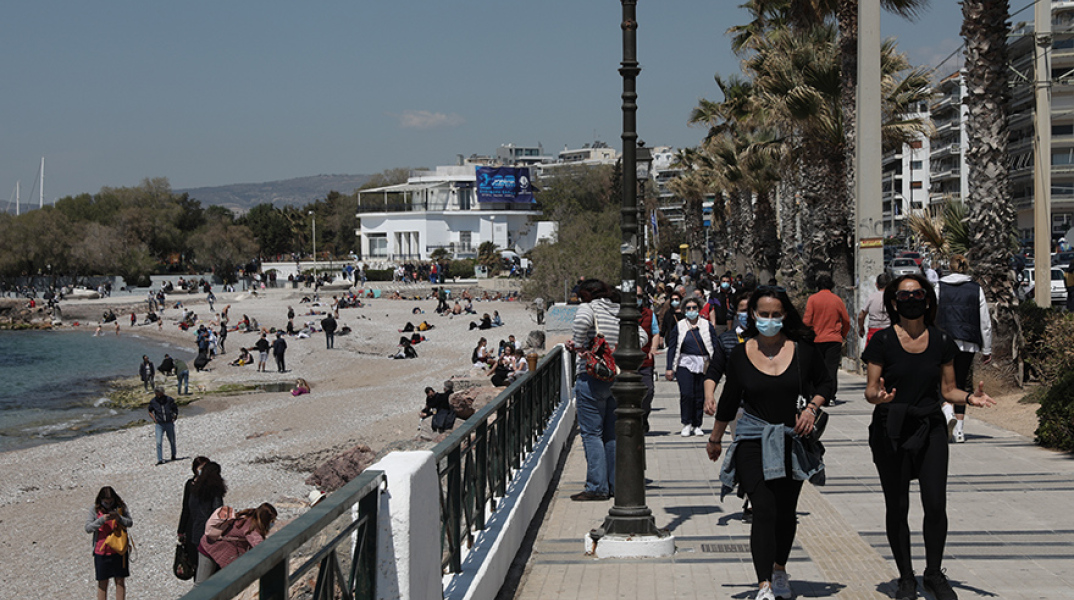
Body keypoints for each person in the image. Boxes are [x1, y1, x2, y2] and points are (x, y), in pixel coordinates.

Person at [862, 274, 995, 600]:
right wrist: (877, 397)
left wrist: (970, 399)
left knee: (935, 504)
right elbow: (870, 389)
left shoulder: (941, 341)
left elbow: (948, 389)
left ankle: (933, 573)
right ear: (894, 303)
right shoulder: (881, 341)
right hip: (890, 428)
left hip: (930, 427)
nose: (911, 299)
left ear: (927, 300)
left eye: (917, 294)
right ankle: (906, 577)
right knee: (898, 506)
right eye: (904, 295)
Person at [707, 286, 831, 600]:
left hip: (793, 440)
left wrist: (812, 407)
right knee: (763, 508)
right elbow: (730, 398)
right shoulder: (740, 352)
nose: (770, 320)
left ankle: (778, 570)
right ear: (753, 316)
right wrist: (716, 438)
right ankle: (763, 585)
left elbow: (826, 382)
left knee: (786, 511)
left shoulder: (802, 348)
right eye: (764, 314)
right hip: (753, 437)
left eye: (776, 314)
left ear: (785, 314)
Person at [565, 279, 647, 501]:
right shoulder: (620, 310)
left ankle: (596, 486)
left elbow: (581, 323)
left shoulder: (589, 308)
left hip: (592, 377)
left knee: (592, 434)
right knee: (611, 434)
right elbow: (642, 335)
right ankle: (614, 484)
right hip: (616, 377)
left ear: (586, 295)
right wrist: (620, 349)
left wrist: (576, 342)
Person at [935, 255, 993, 444]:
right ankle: (959, 430)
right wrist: (987, 348)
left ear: (949, 267)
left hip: (943, 340)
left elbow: (930, 313)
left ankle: (946, 409)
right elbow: (985, 321)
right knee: (960, 384)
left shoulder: (939, 286)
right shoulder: (976, 289)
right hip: (968, 342)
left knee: (939, 380)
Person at [665, 297, 720, 437]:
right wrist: (669, 367)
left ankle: (697, 424)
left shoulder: (707, 325)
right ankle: (686, 423)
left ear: (699, 309)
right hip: (684, 363)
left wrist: (717, 364)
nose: (691, 311)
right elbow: (672, 347)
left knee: (700, 395)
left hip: (703, 364)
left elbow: (714, 345)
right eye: (688, 308)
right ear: (684, 310)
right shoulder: (680, 326)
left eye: (694, 308)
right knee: (687, 394)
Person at [803, 273, 850, 405]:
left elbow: (807, 321)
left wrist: (806, 336)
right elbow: (846, 320)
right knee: (831, 369)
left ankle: (815, 394)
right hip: (834, 339)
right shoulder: (837, 300)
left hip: (816, 339)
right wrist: (843, 334)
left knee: (814, 368)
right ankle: (830, 396)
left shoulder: (812, 299)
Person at [198, 503, 277, 581]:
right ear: (265, 519)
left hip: (219, 550)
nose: (273, 523)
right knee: (200, 584)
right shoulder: (250, 528)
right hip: (208, 549)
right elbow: (260, 547)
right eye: (272, 521)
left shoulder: (250, 515)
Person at [86, 486, 133, 600]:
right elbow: (88, 528)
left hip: (119, 550)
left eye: (110, 502)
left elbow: (130, 522)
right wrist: (101, 520)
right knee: (102, 584)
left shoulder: (120, 507)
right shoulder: (95, 509)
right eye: (106, 503)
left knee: (120, 581)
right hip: (101, 552)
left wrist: (118, 518)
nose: (108, 505)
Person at [176, 457, 214, 582]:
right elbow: (185, 508)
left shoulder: (212, 485)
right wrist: (180, 530)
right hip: (192, 529)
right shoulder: (189, 485)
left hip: (207, 529)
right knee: (196, 564)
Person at [858, 273, 893, 345]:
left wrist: (861, 328)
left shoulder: (872, 297)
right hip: (888, 331)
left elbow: (861, 316)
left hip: (873, 332)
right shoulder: (892, 298)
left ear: (876, 284)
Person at [148, 386, 178, 465]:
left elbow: (175, 409)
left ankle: (173, 455)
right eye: (157, 394)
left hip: (169, 422)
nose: (159, 396)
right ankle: (160, 459)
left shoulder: (169, 400)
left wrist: (174, 417)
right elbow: (150, 411)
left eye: (160, 394)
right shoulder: (153, 401)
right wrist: (154, 419)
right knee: (158, 442)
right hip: (159, 424)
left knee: (172, 440)